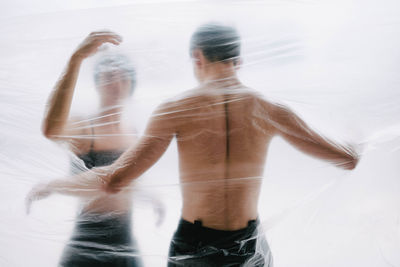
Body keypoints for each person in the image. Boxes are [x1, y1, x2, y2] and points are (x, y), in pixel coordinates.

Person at [27, 24, 360, 266]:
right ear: (238, 61)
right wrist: (358, 140)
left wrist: (75, 58)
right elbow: (347, 160)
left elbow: (114, 180)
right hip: (250, 247)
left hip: (195, 247)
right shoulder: (272, 111)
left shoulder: (175, 110)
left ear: (197, 57)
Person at [38, 31, 145, 266]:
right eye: (108, 76)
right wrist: (76, 60)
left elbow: (127, 181)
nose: (116, 82)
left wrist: (152, 198)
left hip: (125, 241)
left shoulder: (133, 131)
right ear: (97, 82)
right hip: (87, 243)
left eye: (122, 77)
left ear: (131, 84)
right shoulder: (85, 127)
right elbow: (51, 130)